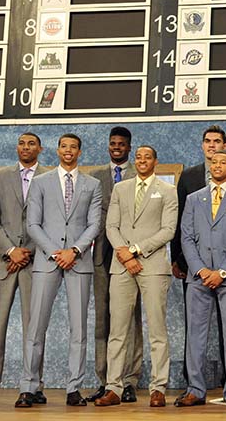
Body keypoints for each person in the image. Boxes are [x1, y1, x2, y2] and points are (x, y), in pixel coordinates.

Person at [16, 133, 102, 408]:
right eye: (63, 146)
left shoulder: (93, 184)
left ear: (79, 151)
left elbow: (94, 224)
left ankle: (73, 388)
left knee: (79, 328)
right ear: (57, 150)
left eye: (73, 147)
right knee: (35, 327)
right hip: (47, 259)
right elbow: (33, 225)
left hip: (78, 261)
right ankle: (29, 388)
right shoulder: (41, 182)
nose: (68, 151)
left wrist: (74, 251)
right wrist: (56, 252)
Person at [95, 146, 177, 408]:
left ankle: (158, 387)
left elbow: (168, 230)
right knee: (117, 331)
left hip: (152, 265)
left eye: (147, 157)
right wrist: (124, 254)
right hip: (121, 266)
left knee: (157, 330)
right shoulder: (120, 189)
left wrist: (135, 250)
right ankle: (113, 388)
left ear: (155, 161)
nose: (142, 161)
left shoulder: (167, 191)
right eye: (139, 157)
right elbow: (111, 226)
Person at [171, 125, 226, 388]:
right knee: (195, 334)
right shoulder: (194, 197)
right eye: (213, 161)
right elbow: (185, 235)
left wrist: (224, 271)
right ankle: (194, 388)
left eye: (222, 161)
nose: (216, 164)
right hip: (198, 276)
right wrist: (199, 269)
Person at [0, 133, 47, 404]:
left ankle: (34, 385)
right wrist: (11, 250)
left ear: (40, 149)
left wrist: (28, 251)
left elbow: (51, 220)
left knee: (35, 327)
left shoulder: (49, 177)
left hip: (36, 262)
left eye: (31, 143)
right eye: (22, 143)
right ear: (16, 147)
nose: (26, 147)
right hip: (3, 262)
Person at [87, 126, 142, 403]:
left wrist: (129, 249)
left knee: (130, 318)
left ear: (129, 147)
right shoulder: (95, 176)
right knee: (103, 319)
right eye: (112, 143)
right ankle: (106, 380)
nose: (116, 147)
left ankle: (129, 380)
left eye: (121, 143)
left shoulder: (139, 174)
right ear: (108, 146)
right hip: (101, 254)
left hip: (130, 254)